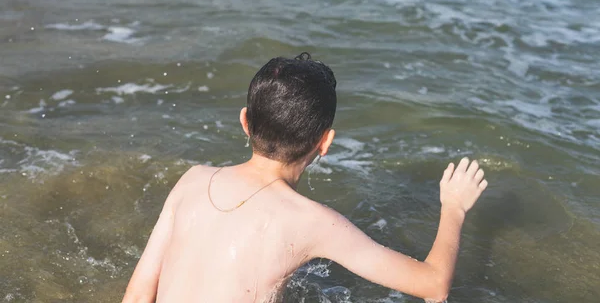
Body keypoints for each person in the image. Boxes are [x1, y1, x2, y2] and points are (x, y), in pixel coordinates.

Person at [122, 52, 488, 303]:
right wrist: (453, 207)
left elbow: (137, 296)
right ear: (325, 142)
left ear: (245, 121)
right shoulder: (314, 222)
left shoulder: (192, 179)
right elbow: (433, 286)